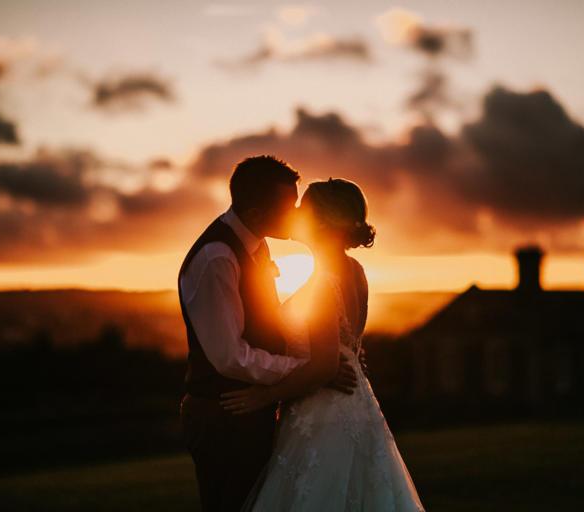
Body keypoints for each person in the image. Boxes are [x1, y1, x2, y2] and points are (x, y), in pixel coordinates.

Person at [221, 178, 424, 511]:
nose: (295, 212)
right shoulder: (354, 271)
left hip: (324, 414)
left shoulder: (322, 284)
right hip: (354, 405)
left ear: (323, 221)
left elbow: (325, 365)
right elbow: (350, 348)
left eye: (304, 208)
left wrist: (265, 396)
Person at [178, 156, 358, 512]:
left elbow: (266, 323)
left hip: (251, 410)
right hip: (224, 412)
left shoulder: (257, 246)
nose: (296, 214)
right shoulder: (218, 258)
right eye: (288, 207)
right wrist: (308, 370)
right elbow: (231, 356)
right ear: (258, 214)